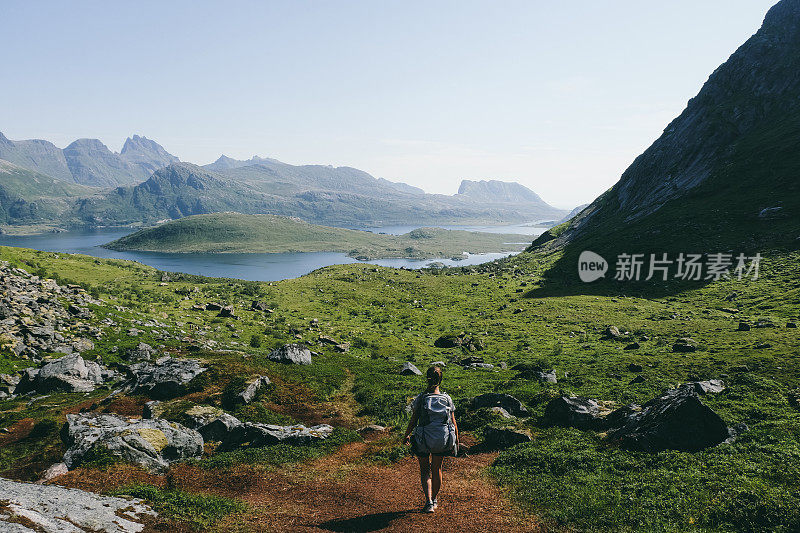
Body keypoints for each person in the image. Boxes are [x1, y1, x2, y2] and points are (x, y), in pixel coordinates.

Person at [402, 366, 459, 513]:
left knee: (425, 470)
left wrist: (407, 434)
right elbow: (453, 421)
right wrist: (456, 440)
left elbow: (414, 420)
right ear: (441, 379)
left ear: (426, 378)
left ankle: (428, 503)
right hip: (442, 438)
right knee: (437, 468)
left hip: (423, 439)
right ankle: (434, 500)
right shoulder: (447, 399)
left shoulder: (421, 398)